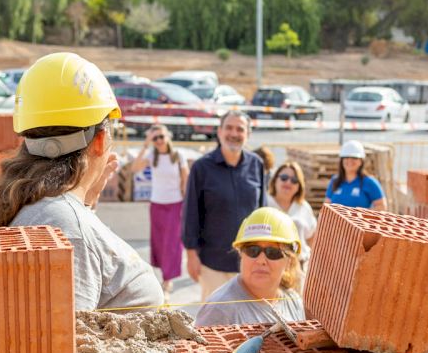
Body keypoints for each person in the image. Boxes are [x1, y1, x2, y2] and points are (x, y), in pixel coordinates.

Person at [0, 52, 163, 312]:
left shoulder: (43, 207)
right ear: (99, 141)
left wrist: (84, 204)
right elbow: (68, 333)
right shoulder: (66, 226)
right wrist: (78, 215)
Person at [183, 110, 266, 300]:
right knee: (215, 316)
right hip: (212, 263)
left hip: (249, 263)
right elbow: (191, 213)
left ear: (248, 134)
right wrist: (191, 255)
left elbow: (262, 212)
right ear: (219, 131)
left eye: (240, 129)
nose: (234, 133)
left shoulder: (257, 165)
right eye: (229, 128)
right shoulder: (201, 167)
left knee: (248, 317)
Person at [195, 207, 305, 327]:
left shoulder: (293, 301)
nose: (261, 261)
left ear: (289, 260)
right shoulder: (219, 311)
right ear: (241, 253)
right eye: (253, 250)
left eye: (273, 252)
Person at [130, 125, 189, 298]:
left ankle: (168, 280)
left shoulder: (178, 155)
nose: (159, 141)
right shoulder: (152, 155)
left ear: (168, 136)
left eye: (161, 136)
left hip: (175, 203)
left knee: (172, 242)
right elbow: (134, 168)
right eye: (155, 138)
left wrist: (186, 200)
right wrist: (145, 144)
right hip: (157, 204)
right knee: (159, 242)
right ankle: (164, 274)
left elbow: (186, 178)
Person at [266, 161, 317, 267]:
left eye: (294, 180)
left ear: (299, 185)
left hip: (300, 266)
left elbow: (312, 238)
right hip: (270, 264)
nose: (288, 182)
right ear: (275, 180)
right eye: (284, 178)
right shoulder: (264, 203)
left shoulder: (304, 207)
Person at [325, 140, 386, 210]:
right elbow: (327, 206)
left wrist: (360, 215)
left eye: (354, 158)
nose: (350, 160)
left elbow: (382, 206)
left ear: (361, 161)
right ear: (342, 160)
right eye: (346, 157)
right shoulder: (335, 180)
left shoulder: (369, 182)